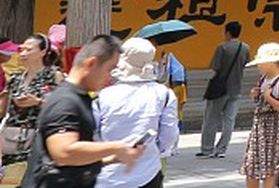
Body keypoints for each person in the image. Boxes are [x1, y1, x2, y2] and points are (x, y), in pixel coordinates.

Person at [22, 34, 141, 188]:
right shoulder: (66, 101)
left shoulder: (80, 97)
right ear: (92, 64)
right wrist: (116, 147)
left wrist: (114, 157)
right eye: (109, 69)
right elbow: (63, 152)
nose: (109, 77)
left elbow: (73, 159)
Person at [94, 39, 178, 188]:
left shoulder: (102, 97)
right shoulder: (163, 94)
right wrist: (156, 151)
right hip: (148, 173)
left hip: (108, 176)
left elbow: (93, 135)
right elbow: (169, 135)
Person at [239, 43, 279, 188]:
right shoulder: (264, 79)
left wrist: (269, 98)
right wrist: (256, 95)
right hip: (260, 129)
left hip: (273, 131)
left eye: (261, 63)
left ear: (271, 62)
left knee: (269, 168)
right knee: (252, 166)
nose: (259, 66)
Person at [192, 22, 248, 159]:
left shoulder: (222, 48)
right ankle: (222, 149)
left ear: (228, 32)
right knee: (229, 120)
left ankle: (207, 148)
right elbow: (246, 63)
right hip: (236, 88)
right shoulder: (245, 47)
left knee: (211, 118)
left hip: (220, 89)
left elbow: (215, 68)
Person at [4, 35, 62, 166]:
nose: (23, 54)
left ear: (43, 52)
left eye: (28, 50)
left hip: (38, 140)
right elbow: (4, 109)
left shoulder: (54, 76)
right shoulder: (15, 78)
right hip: (11, 138)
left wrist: (38, 102)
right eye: (21, 50)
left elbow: (61, 107)